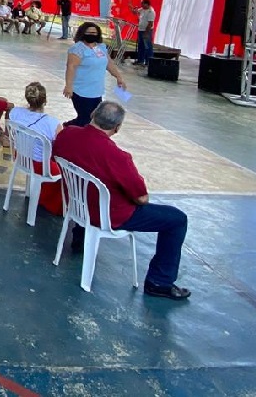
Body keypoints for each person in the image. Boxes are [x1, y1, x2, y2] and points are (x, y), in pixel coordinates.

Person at [53, 100, 190, 300]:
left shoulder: (67, 134)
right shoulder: (117, 156)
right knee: (177, 219)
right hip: (110, 215)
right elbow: (142, 198)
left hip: (77, 205)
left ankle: (80, 239)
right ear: (117, 128)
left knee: (91, 188)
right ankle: (160, 281)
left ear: (93, 114)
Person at [7, 81, 64, 215]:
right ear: (45, 101)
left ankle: (36, 196)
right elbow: (60, 148)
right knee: (64, 171)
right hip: (39, 165)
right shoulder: (52, 123)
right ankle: (50, 204)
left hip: (20, 157)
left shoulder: (15, 113)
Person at [63, 22, 126, 126]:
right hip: (81, 91)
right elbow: (71, 67)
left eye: (94, 32)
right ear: (83, 33)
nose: (92, 35)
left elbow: (108, 63)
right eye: (89, 32)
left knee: (93, 118)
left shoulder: (101, 47)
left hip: (97, 91)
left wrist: (118, 77)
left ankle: (70, 129)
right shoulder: (78, 49)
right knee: (85, 119)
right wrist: (68, 86)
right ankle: (68, 128)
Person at [131, 0, 156, 67]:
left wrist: (146, 33)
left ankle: (149, 62)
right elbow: (134, 12)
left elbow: (150, 24)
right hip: (140, 30)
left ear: (147, 4)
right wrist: (132, 7)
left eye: (142, 4)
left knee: (147, 47)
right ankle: (140, 60)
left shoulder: (151, 12)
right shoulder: (142, 9)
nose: (141, 5)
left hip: (146, 31)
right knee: (140, 46)